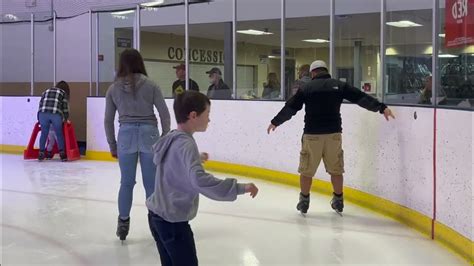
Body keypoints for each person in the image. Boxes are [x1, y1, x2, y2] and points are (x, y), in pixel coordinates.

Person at [267, 60, 395, 215]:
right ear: (326, 71)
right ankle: (338, 200)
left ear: (313, 73)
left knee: (306, 170)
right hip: (333, 134)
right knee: (336, 170)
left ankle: (304, 201)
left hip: (312, 135)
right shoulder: (338, 85)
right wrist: (381, 108)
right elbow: (360, 97)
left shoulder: (306, 88)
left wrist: (275, 122)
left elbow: (291, 107)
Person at [146, 90, 258, 266]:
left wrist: (196, 158)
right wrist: (239, 188)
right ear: (193, 115)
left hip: (156, 216)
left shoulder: (172, 138)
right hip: (173, 222)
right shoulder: (186, 144)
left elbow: (173, 161)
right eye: (207, 114)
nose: (209, 119)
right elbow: (200, 181)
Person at [104, 48, 171, 242]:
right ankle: (155, 223)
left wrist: (112, 145)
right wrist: (164, 138)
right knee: (151, 184)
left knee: (126, 182)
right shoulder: (151, 85)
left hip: (125, 136)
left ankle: (123, 223)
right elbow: (164, 114)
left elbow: (108, 120)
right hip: (149, 135)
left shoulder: (113, 89)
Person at [37, 81, 70, 162]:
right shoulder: (63, 93)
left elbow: (40, 104)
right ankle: (62, 154)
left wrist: (39, 117)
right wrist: (66, 118)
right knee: (59, 133)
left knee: (44, 133)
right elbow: (65, 107)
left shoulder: (46, 91)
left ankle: (41, 152)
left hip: (42, 113)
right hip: (55, 114)